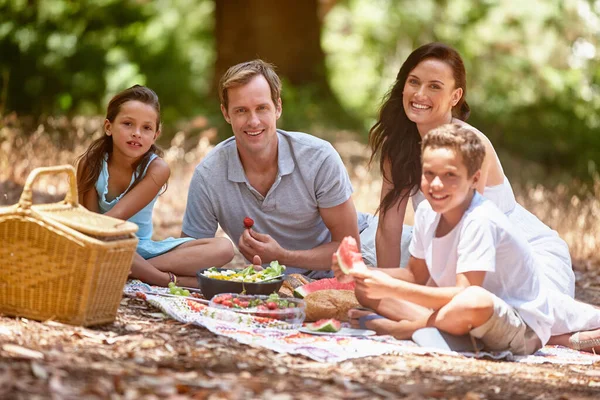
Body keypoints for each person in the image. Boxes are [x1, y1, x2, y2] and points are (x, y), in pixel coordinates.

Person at [339, 125, 600, 354]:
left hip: (520, 324)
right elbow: (414, 275)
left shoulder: (481, 219)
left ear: (474, 179)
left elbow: (465, 294)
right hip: (461, 315)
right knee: (365, 290)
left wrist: (388, 287)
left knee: (473, 300)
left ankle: (404, 329)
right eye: (429, 174)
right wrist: (363, 273)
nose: (436, 184)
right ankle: (452, 334)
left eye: (449, 175)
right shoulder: (429, 211)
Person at [361, 42, 574, 296]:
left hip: (511, 251)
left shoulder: (470, 146)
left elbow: (466, 231)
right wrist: (387, 293)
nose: (419, 94)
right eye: (414, 82)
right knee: (375, 277)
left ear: (455, 96)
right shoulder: (398, 147)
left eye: (434, 86)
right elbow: (388, 228)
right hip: (446, 244)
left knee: (494, 320)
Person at [181, 59, 363, 278]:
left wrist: (283, 256)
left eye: (262, 108)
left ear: (277, 107)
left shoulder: (319, 158)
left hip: (361, 253)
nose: (253, 121)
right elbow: (189, 256)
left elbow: (350, 252)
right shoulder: (209, 176)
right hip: (283, 281)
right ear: (226, 113)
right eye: (241, 111)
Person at [76, 85, 234, 288]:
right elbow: (92, 225)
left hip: (142, 250)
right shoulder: (91, 163)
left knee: (224, 248)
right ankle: (163, 279)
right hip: (107, 245)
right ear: (108, 127)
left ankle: (136, 273)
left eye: (146, 128)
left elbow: (117, 217)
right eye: (127, 124)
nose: (137, 134)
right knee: (108, 241)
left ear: (155, 135)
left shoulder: (157, 169)